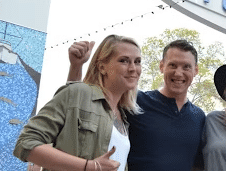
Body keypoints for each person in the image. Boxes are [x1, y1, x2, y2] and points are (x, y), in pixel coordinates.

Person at [67, 39, 205, 170]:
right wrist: (76, 66)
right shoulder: (135, 101)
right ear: (162, 66)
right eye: (172, 65)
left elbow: (198, 165)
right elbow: (79, 108)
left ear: (196, 70)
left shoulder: (199, 117)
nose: (179, 73)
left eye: (186, 67)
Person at [13, 34, 142, 171]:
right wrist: (90, 166)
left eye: (138, 61)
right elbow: (26, 143)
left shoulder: (124, 116)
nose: (133, 68)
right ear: (102, 67)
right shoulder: (78, 92)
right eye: (124, 61)